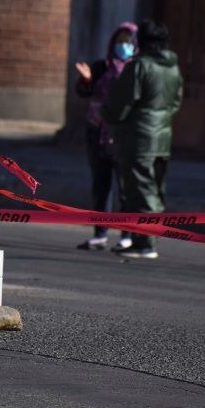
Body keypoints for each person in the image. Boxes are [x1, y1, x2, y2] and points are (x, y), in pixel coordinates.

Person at [104, 19, 183, 259]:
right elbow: (176, 102)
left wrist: (107, 116)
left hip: (139, 138)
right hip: (163, 137)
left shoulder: (139, 66)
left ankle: (146, 242)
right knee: (155, 189)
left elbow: (122, 103)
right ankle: (143, 239)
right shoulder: (173, 67)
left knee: (142, 191)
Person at [74, 22, 137, 250]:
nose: (124, 45)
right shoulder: (102, 66)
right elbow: (83, 92)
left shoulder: (136, 68)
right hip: (97, 133)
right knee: (101, 186)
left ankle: (127, 235)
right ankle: (100, 233)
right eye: (120, 40)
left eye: (129, 41)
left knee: (125, 188)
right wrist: (87, 80)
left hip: (123, 136)